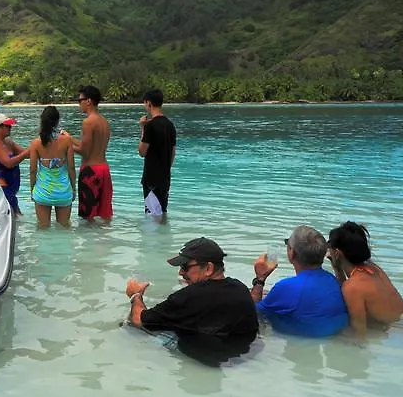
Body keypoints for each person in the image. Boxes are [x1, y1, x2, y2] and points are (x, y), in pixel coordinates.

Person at [124, 237, 259, 366]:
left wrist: (136, 295)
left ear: (208, 268)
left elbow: (138, 319)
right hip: (243, 356)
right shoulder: (240, 288)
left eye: (185, 267)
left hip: (207, 359)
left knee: (129, 325)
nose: (181, 272)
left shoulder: (189, 297)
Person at [250, 225, 348, 337]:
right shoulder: (332, 280)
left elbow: (251, 312)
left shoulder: (287, 287)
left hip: (299, 339)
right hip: (325, 335)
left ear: (292, 253)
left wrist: (260, 279)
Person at [326, 221, 403, 336]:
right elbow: (347, 293)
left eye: (329, 245)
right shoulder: (374, 269)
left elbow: (359, 334)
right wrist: (338, 269)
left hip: (402, 332)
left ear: (337, 253)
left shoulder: (352, 287)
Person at [63, 85, 113, 223]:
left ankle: (89, 243)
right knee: (105, 215)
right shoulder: (104, 121)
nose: (79, 104)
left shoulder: (88, 122)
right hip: (104, 169)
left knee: (88, 217)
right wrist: (69, 138)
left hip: (91, 171)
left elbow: (84, 151)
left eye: (80, 100)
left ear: (89, 101)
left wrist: (66, 147)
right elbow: (90, 146)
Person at [28, 106, 76, 228]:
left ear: (42, 121)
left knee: (43, 228)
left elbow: (33, 170)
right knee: (65, 228)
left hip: (42, 192)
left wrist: (32, 190)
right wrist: (74, 189)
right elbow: (71, 168)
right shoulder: (67, 140)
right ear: (57, 121)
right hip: (63, 192)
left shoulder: (36, 143)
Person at [138, 88, 176, 223]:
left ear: (148, 103)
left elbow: (142, 152)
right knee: (162, 212)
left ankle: (154, 243)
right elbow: (173, 153)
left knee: (152, 216)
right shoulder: (170, 125)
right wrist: (165, 169)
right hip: (165, 177)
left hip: (151, 178)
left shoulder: (150, 126)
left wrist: (142, 128)